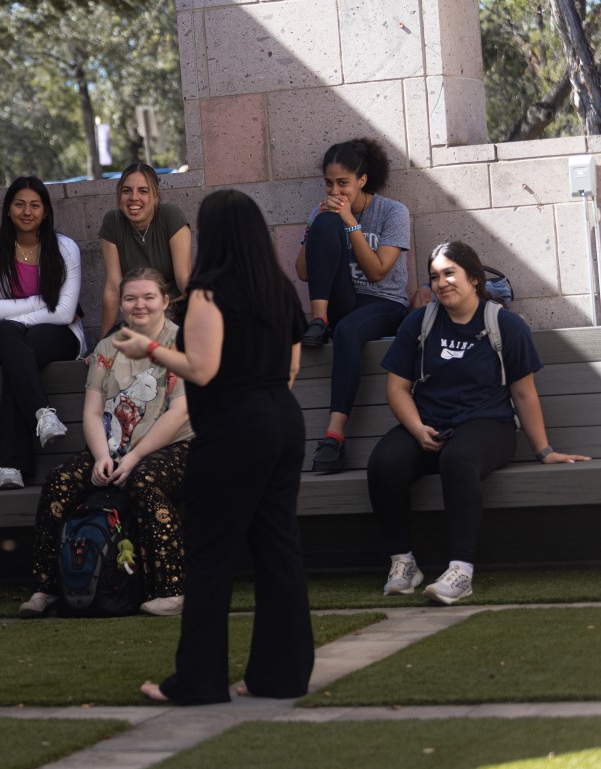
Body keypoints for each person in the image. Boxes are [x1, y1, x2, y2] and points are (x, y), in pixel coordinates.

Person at [114, 190, 314, 706]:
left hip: (234, 428)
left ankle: (199, 682)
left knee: (210, 558)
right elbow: (292, 369)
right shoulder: (278, 289)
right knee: (279, 552)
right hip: (283, 421)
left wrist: (151, 348)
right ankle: (281, 675)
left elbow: (202, 368)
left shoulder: (208, 292)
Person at [368, 241, 590, 605]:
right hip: (430, 425)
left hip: (489, 425)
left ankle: (460, 571)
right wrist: (416, 428)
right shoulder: (419, 322)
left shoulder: (504, 324)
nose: (442, 283)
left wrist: (544, 450)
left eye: (450, 273)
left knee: (457, 459)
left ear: (473, 278)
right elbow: (397, 388)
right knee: (384, 462)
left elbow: (523, 394)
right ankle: (403, 563)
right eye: (435, 277)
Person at [20, 268, 193, 619]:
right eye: (130, 298)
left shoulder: (182, 343)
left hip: (177, 449)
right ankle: (46, 587)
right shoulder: (106, 349)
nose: (139, 305)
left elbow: (179, 413)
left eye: (148, 297)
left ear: (165, 301)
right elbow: (93, 410)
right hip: (113, 448)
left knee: (143, 480)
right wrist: (101, 456)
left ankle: (172, 590)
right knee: (60, 481)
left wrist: (133, 459)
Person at [294, 139, 410, 474]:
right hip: (342, 301)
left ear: (362, 180)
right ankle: (318, 319)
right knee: (326, 224)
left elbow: (376, 272)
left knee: (346, 331)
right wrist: (317, 223)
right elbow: (303, 272)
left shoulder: (393, 212)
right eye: (329, 183)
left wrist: (350, 223)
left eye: (343, 182)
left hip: (385, 303)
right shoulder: (324, 211)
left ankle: (334, 436)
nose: (336, 190)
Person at [0, 176, 84, 490]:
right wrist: (42, 302)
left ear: (46, 212)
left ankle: (10, 466)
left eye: (35, 205)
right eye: (19, 204)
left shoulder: (65, 248)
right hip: (8, 337)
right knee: (11, 340)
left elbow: (63, 314)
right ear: (8, 209)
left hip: (59, 336)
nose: (27, 211)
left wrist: (16, 317)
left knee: (15, 353)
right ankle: (43, 414)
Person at [98, 163, 191, 332]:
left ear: (155, 196)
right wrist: (103, 341)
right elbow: (113, 287)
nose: (134, 197)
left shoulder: (170, 216)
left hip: (176, 309)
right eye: (127, 191)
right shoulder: (113, 222)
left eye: (143, 191)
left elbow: (184, 280)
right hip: (139, 314)